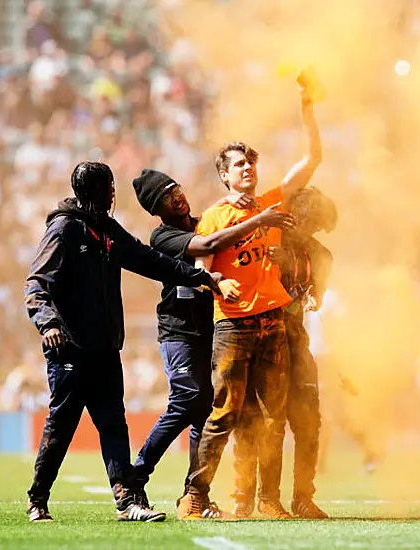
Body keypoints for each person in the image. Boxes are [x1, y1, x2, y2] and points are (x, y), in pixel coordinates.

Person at [24, 161, 224, 523]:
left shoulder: (108, 231)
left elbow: (151, 261)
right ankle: (38, 498)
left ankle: (127, 502)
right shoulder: (65, 229)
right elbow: (37, 283)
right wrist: (47, 323)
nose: (111, 195)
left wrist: (198, 277)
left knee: (114, 424)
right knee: (62, 425)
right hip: (69, 349)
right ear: (93, 192)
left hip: (105, 349)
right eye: (106, 188)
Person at [177, 71, 323, 520]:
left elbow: (313, 159)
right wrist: (220, 282)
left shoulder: (272, 203)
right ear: (224, 175)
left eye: (251, 164)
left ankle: (268, 500)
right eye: (239, 165)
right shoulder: (214, 217)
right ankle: (196, 497)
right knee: (223, 415)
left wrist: (307, 107)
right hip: (234, 326)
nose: (248, 170)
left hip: (272, 324)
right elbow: (200, 266)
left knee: (273, 418)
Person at [130, 168, 294, 516]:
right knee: (190, 401)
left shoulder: (210, 218)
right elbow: (208, 245)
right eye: (165, 196)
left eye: (175, 189)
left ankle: (196, 497)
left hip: (215, 328)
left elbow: (223, 230)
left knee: (207, 411)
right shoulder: (164, 236)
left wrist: (236, 205)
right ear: (155, 209)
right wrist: (254, 219)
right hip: (180, 331)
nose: (176, 197)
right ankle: (135, 478)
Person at [232, 187, 337, 519]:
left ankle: (303, 497)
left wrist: (298, 275)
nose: (312, 231)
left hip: (295, 339)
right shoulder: (267, 238)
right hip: (259, 339)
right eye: (310, 222)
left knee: (309, 421)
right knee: (256, 420)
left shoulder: (321, 255)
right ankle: (246, 496)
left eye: (317, 226)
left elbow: (314, 299)